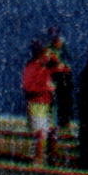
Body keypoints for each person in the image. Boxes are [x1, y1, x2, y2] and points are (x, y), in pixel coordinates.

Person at [20, 38, 60, 167]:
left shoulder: (45, 67)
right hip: (36, 104)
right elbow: (28, 87)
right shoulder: (32, 67)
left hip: (46, 103)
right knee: (40, 133)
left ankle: (46, 157)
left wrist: (53, 58)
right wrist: (46, 88)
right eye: (47, 54)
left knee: (48, 131)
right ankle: (38, 159)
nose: (49, 56)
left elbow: (58, 67)